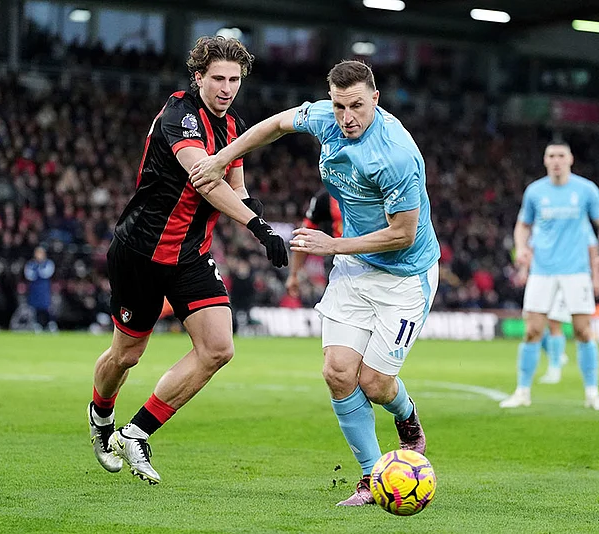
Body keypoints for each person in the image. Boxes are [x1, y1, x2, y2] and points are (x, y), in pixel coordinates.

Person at [190, 60, 440, 506]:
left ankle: (407, 418)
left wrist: (332, 245)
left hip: (404, 275)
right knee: (338, 372)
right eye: (340, 105)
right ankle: (370, 477)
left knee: (376, 384)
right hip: (354, 269)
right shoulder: (327, 117)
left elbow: (402, 232)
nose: (347, 117)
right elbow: (272, 126)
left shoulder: (397, 154)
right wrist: (222, 158)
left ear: (375, 101)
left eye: (357, 106)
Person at [87, 36, 288, 485]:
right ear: (198, 77)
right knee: (127, 355)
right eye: (218, 78)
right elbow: (205, 180)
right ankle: (101, 418)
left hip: (190, 255)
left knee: (218, 348)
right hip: (141, 251)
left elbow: (236, 187)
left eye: (234, 79)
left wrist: (261, 220)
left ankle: (136, 432)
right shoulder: (181, 115)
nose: (227, 87)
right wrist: (259, 228)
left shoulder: (234, 123)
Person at [499, 141, 599, 411]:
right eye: (551, 155)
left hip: (576, 272)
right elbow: (523, 225)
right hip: (542, 271)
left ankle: (592, 393)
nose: (556, 160)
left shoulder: (586, 190)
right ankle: (522, 392)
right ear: (545, 160)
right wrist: (521, 249)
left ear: (571, 159)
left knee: (583, 331)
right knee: (532, 331)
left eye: (561, 155)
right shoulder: (535, 191)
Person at [536, 222, 599, 385]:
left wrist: (596, 278)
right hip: (550, 277)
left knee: (556, 324)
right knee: (540, 324)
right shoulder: (550, 226)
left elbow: (592, 250)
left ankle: (555, 369)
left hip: (573, 278)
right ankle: (557, 357)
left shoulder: (580, 226)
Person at [285, 188, 342, 301]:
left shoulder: (374, 193)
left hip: (368, 260)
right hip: (336, 264)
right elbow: (304, 234)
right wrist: (294, 274)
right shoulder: (325, 197)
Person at [23, 245, 55, 331]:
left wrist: (37, 272)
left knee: (46, 307)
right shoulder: (30, 264)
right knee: (35, 307)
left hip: (44, 289)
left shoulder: (49, 263)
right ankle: (36, 324)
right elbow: (29, 275)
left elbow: (46, 273)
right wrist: (38, 272)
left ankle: (50, 324)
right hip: (34, 289)